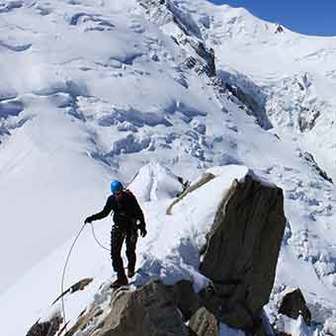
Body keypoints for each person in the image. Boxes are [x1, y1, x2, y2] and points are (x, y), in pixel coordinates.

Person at [84, 180, 147, 287]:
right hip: (119, 228)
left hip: (131, 227)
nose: (119, 195)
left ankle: (131, 268)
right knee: (115, 253)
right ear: (113, 193)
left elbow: (138, 211)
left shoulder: (129, 198)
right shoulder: (111, 200)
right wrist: (91, 218)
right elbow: (104, 213)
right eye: (116, 193)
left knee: (130, 250)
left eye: (120, 192)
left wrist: (142, 226)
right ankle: (121, 278)